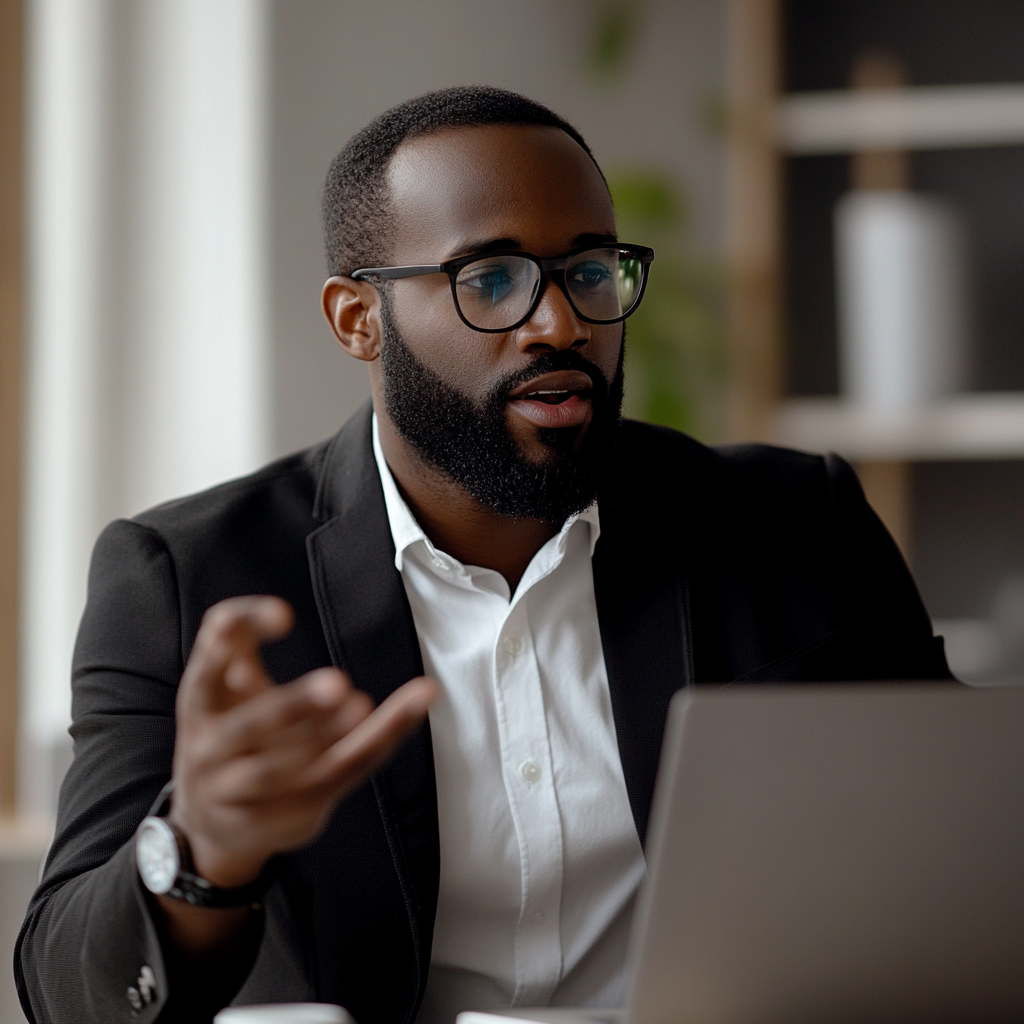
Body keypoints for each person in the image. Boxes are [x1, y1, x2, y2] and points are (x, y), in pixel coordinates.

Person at [16, 86, 952, 1024]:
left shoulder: (797, 524)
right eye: (492, 280)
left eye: (590, 269)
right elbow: (66, 991)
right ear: (358, 319)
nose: (562, 325)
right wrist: (198, 852)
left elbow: (964, 861)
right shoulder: (185, 579)